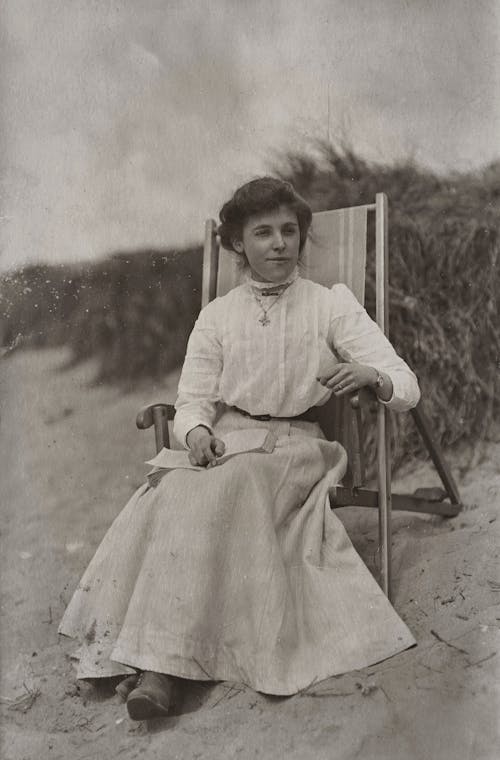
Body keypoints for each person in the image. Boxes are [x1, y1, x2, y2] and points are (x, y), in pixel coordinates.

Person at [59, 177, 420, 720]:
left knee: (227, 485)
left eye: (289, 231)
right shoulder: (218, 315)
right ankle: (155, 655)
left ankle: (164, 671)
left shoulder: (330, 305)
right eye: (263, 233)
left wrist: (372, 373)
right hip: (229, 439)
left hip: (297, 443)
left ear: (301, 238)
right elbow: (192, 402)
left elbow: (405, 384)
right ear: (237, 244)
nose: (279, 243)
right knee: (173, 485)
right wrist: (197, 434)